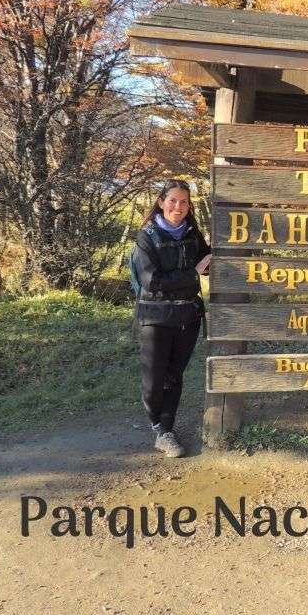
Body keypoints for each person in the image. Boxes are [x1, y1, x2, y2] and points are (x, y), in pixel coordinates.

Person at [131, 179, 212, 457]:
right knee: (154, 379)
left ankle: (165, 431)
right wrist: (193, 273)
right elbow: (151, 280)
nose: (179, 206)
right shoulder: (147, 236)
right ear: (161, 202)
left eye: (184, 202)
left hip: (187, 316)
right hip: (154, 316)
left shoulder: (192, 232)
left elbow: (207, 261)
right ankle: (157, 422)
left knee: (174, 376)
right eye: (173, 200)